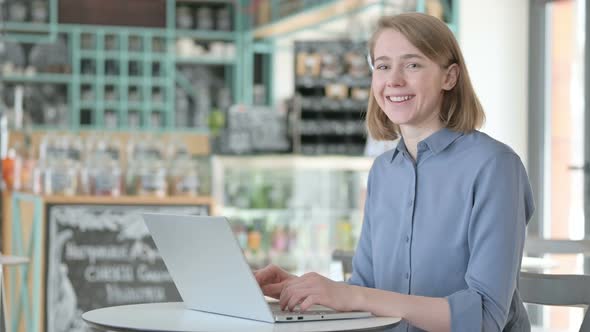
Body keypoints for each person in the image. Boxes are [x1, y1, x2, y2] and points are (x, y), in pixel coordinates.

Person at [254, 12, 535, 332]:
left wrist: (353, 295)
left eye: (413, 64)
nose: (394, 80)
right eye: (383, 66)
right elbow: (367, 287)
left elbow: (484, 318)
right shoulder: (383, 172)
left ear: (450, 77)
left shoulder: (495, 166)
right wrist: (306, 290)